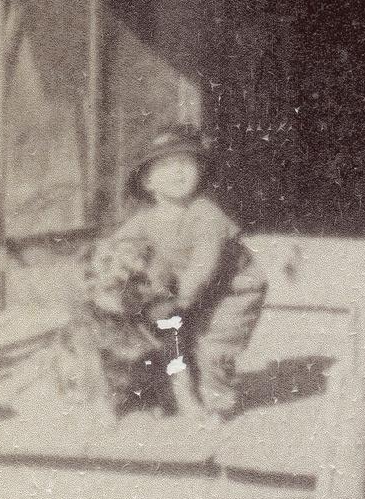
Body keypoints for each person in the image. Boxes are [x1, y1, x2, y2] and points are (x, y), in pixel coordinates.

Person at [81, 124, 266, 420]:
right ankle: (177, 392)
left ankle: (217, 403)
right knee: (177, 338)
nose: (179, 172)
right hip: (189, 291)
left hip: (234, 289)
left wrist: (181, 298)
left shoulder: (206, 213)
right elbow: (114, 248)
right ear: (148, 182)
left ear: (200, 173)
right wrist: (104, 276)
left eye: (186, 164)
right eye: (167, 166)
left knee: (213, 347)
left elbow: (205, 263)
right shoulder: (145, 220)